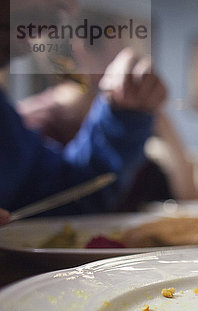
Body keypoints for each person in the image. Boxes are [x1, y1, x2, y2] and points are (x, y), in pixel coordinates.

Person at [1, 0, 167, 216]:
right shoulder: (40, 118)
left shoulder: (6, 124)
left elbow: (60, 196)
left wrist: (125, 114)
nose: (70, 7)